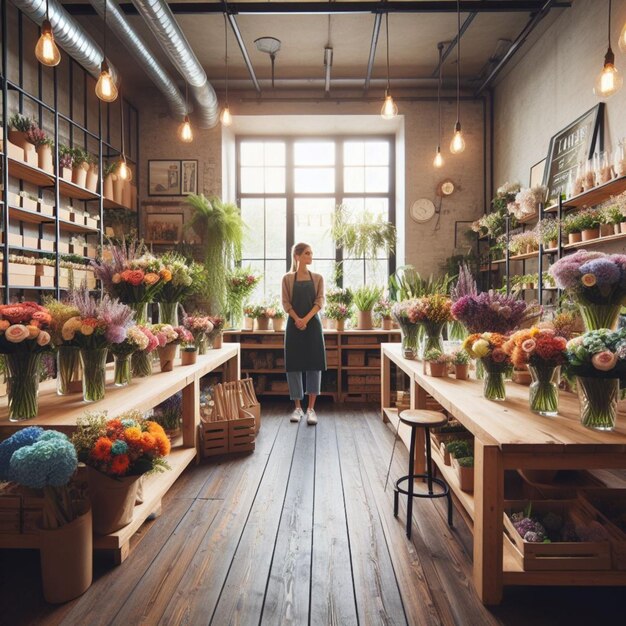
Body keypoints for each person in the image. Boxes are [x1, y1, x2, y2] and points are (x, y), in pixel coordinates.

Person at [281, 242, 326, 425]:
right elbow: (285, 303)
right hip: (293, 326)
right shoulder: (287, 279)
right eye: (307, 253)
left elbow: (319, 301)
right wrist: (296, 319)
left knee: (314, 365)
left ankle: (311, 409)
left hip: (312, 326)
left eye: (311, 253)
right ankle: (298, 408)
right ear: (297, 256)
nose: (310, 256)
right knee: (294, 366)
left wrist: (305, 319)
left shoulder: (318, 278)